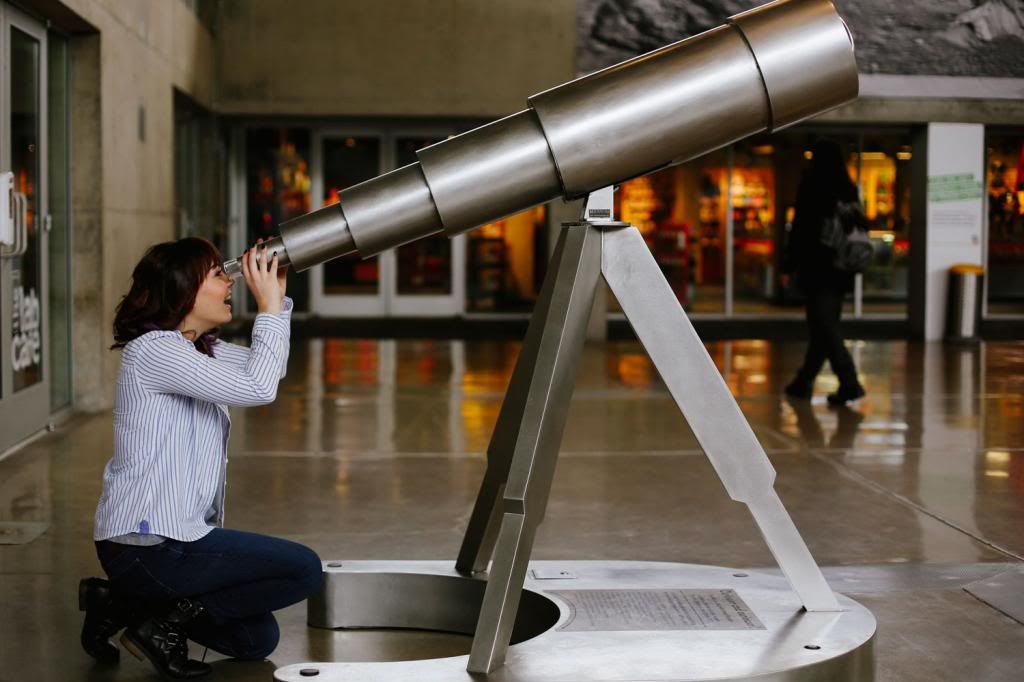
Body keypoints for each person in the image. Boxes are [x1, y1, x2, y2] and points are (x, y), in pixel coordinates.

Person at [78, 237, 322, 678]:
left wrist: (278, 301)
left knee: (256, 640)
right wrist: (267, 308)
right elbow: (258, 389)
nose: (229, 281)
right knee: (304, 569)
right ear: (182, 289)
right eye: (216, 273)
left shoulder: (198, 349)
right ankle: (161, 621)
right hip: (149, 545)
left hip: (177, 541)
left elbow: (266, 369)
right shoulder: (154, 350)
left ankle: (120, 604)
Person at [782, 140, 866, 406]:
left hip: (817, 266)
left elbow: (800, 229)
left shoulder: (813, 183)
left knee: (824, 325)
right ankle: (803, 381)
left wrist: (788, 265)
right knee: (823, 324)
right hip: (843, 268)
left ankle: (849, 381)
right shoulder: (847, 186)